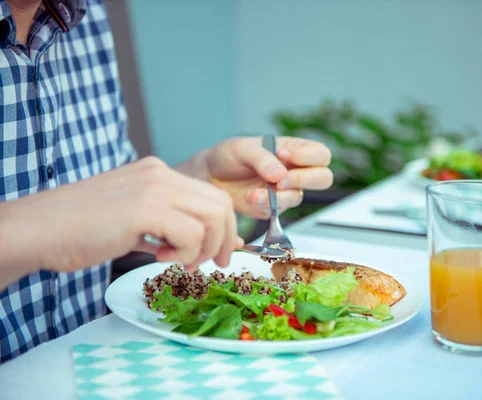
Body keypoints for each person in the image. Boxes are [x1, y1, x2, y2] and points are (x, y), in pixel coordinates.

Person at [0, 0, 333, 362]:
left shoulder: (87, 12)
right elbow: (74, 216)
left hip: (98, 366)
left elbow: (100, 218)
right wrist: (47, 223)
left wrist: (197, 180)